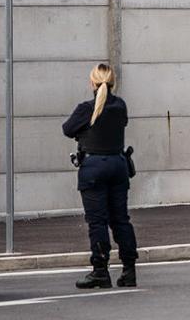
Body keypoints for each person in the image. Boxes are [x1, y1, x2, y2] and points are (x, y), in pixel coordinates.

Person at [62, 64, 138, 289]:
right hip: (118, 165)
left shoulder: (86, 109)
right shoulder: (120, 105)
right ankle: (129, 270)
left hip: (94, 167)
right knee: (120, 219)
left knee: (97, 222)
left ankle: (100, 271)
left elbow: (67, 129)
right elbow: (120, 124)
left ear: (92, 83)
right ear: (112, 82)